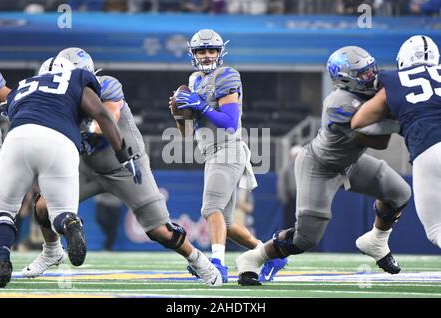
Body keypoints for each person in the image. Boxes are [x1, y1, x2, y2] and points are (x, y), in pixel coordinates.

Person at [22, 48, 223, 287]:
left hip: (127, 166)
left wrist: (76, 132)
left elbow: (108, 118)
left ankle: (198, 260)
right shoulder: (57, 101)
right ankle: (52, 251)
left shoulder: (106, 85)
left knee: (160, 231)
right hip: (87, 167)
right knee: (43, 205)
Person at [236, 46, 413, 286]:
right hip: (319, 166)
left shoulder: (373, 89)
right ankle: (253, 258)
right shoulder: (338, 102)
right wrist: (405, 117)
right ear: (344, 78)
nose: (371, 76)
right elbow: (378, 141)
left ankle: (377, 241)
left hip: (350, 162)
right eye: (363, 73)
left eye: (371, 69)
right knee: (305, 239)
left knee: (399, 192)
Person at [0, 56, 140, 288]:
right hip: (60, 140)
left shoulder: (23, 86)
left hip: (18, 138)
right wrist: (123, 154)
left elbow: (8, 107)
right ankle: (69, 223)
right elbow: (102, 115)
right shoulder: (77, 78)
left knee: (0, 210)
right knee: (60, 211)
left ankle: (1, 260)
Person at [170, 29, 287, 283]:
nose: (207, 55)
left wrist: (200, 105)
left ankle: (217, 265)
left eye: (212, 50)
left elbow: (231, 122)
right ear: (194, 54)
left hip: (228, 149)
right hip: (212, 152)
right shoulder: (194, 80)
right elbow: (188, 132)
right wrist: (179, 115)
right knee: (227, 223)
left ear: (220, 52)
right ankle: (272, 255)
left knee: (211, 209)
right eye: (202, 51)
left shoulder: (226, 75)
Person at [351, 35, 441, 249]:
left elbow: (359, 122)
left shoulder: (393, 79)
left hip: (428, 147)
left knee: (437, 228)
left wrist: (401, 124)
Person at [277, 145, 302, 229]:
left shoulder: (304, 168)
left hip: (302, 199)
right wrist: (284, 198)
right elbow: (281, 183)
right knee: (289, 221)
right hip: (290, 198)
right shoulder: (286, 168)